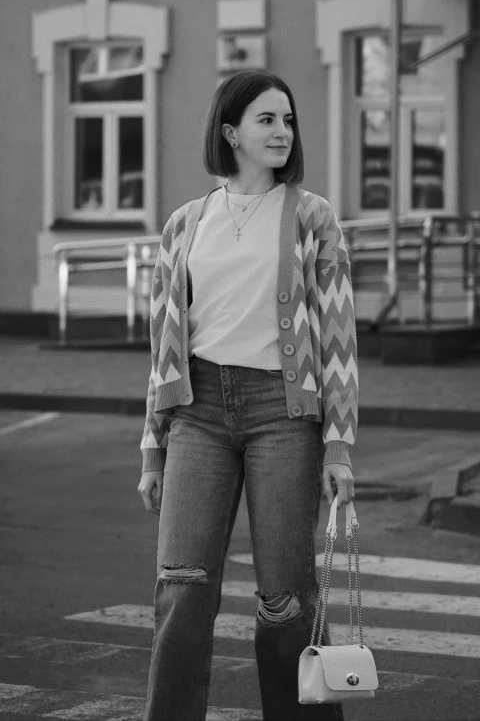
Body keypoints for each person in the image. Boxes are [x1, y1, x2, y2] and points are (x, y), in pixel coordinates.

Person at [138, 70, 358, 721]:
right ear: (230, 131)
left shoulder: (314, 218)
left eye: (287, 120)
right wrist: (154, 445)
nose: (282, 132)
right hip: (197, 413)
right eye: (267, 119)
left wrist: (340, 446)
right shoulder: (184, 224)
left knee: (285, 596)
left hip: (282, 416)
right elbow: (164, 348)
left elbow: (340, 344)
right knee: (180, 588)